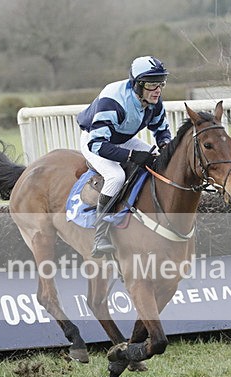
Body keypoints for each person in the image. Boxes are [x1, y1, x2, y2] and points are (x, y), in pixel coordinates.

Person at [76, 55, 172, 257]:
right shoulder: (113, 100)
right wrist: (131, 156)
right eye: (152, 84)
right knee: (116, 176)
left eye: (161, 83)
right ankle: (100, 236)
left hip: (121, 138)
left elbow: (161, 129)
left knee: (157, 161)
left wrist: (164, 144)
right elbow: (97, 144)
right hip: (95, 141)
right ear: (137, 85)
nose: (158, 90)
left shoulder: (154, 100)